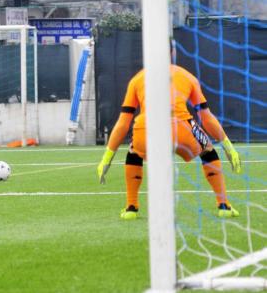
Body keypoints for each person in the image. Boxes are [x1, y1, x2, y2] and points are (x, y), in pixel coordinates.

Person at [97, 61, 241, 219]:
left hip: (146, 130)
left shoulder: (137, 79)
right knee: (207, 148)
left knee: (134, 151)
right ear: (172, 52)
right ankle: (224, 206)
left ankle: (131, 208)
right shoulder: (188, 76)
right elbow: (206, 118)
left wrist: (107, 158)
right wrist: (229, 148)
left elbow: (123, 123)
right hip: (182, 129)